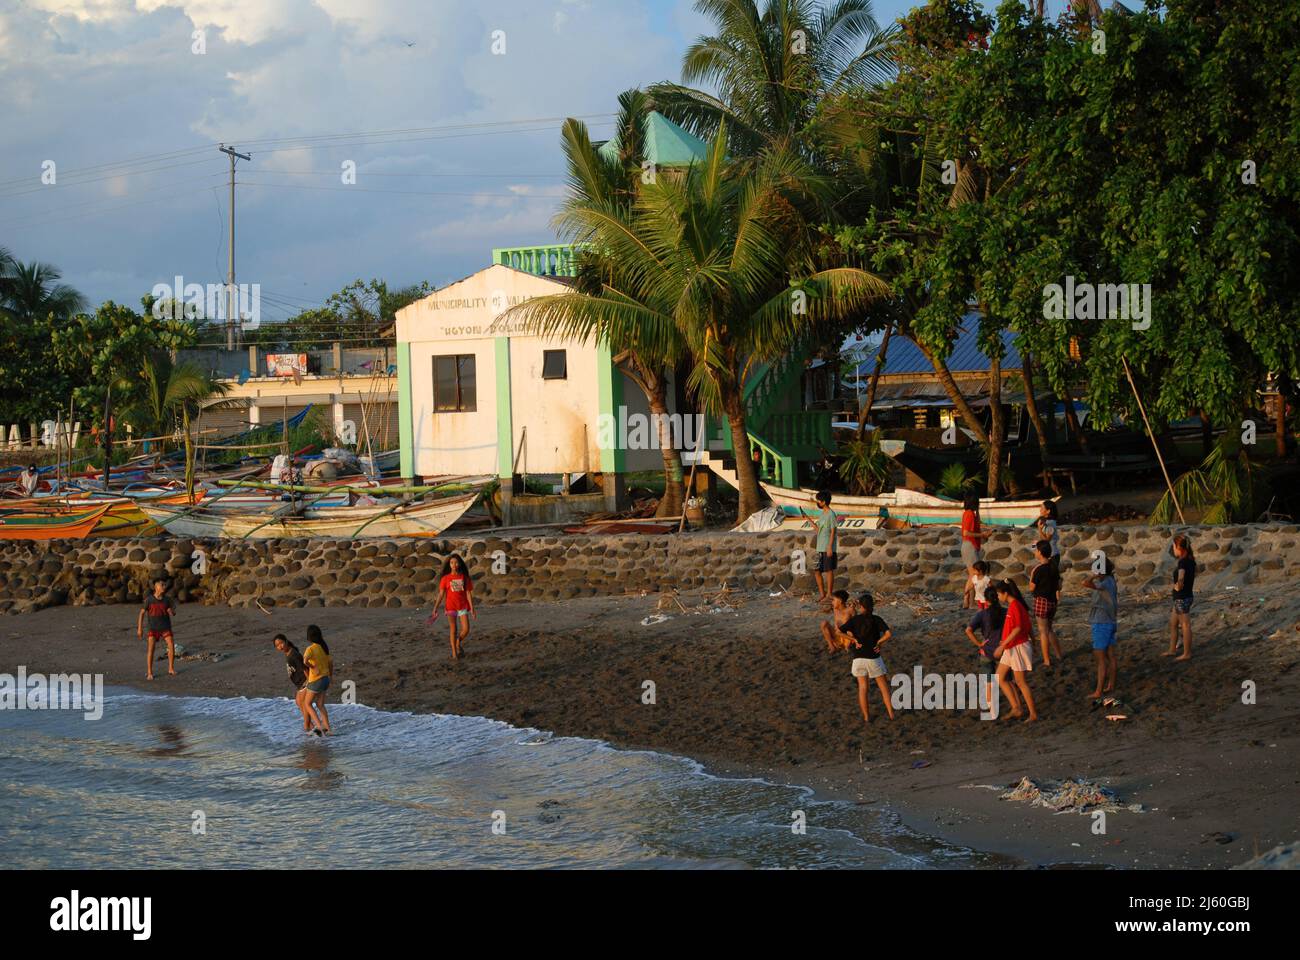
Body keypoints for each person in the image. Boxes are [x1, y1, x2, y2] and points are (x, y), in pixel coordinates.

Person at [836, 593, 896, 725]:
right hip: (873, 657)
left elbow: (838, 632)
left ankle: (867, 717)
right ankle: (891, 714)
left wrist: (853, 639)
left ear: (861, 606)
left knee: (863, 688)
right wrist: (879, 642)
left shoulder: (855, 620)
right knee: (883, 687)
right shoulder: (876, 619)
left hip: (858, 659)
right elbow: (889, 634)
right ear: (872, 606)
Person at [992, 580, 1038, 722]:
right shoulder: (1016, 605)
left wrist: (1001, 645)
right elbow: (1028, 626)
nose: (998, 597)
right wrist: (1034, 642)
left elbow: (1018, 628)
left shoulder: (1015, 606)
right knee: (999, 677)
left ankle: (1033, 714)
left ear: (1005, 593)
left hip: (1018, 647)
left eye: (999, 594)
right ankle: (1016, 708)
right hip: (1011, 647)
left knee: (1020, 681)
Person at [1082, 558, 1119, 698]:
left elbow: (1085, 583)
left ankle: (1098, 691)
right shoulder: (1111, 581)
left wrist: (1094, 575)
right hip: (1110, 621)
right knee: (1111, 656)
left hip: (1101, 623)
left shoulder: (1104, 583)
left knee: (1101, 660)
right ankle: (1111, 685)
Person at [431, 553, 475, 659]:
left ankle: (457, 642)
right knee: (453, 630)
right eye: (451, 562)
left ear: (459, 564)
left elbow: (468, 593)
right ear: (449, 564)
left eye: (456, 562)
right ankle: (454, 654)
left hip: (463, 606)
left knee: (466, 629)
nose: (453, 564)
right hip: (451, 607)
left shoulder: (464, 578)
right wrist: (435, 608)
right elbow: (441, 594)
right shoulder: (445, 579)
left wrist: (472, 608)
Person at [964, 591, 1005, 700]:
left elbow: (968, 630)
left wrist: (979, 644)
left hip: (987, 649)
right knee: (1006, 679)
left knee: (988, 680)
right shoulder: (1006, 612)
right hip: (1003, 649)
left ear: (986, 601)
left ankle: (990, 706)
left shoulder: (982, 614)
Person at [1030, 539, 1063, 667]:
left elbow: (1032, 588)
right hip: (1052, 602)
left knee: (1042, 631)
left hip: (1041, 601)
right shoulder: (1054, 566)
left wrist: (1032, 574)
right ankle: (1059, 654)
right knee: (1049, 629)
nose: (1035, 552)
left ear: (1039, 552)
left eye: (1036, 550)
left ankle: (1046, 660)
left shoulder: (1038, 569)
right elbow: (1059, 585)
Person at [136, 578, 176, 680]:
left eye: (164, 585)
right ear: (156, 587)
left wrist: (171, 611)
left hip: (165, 627)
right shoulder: (149, 600)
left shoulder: (167, 599)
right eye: (162, 585)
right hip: (153, 628)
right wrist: (139, 629)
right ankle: (149, 672)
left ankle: (171, 668)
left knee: (171, 645)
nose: (164, 586)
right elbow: (141, 614)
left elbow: (173, 612)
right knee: (151, 649)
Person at [1164, 533, 1196, 661]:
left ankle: (1187, 653)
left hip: (1182, 598)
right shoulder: (1190, 560)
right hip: (1183, 598)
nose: (1173, 549)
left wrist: (1178, 585)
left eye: (1173, 546)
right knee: (1173, 624)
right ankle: (1172, 650)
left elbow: (1181, 577)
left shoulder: (1183, 562)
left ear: (1179, 547)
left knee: (1185, 625)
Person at [273, 634, 314, 732]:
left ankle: (307, 726)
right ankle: (311, 725)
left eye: (281, 643)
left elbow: (304, 667)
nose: (280, 646)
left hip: (304, 681)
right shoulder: (288, 653)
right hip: (299, 684)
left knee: (304, 704)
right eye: (277, 645)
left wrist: (309, 682)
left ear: (286, 641)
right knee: (299, 702)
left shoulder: (293, 654)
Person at [301, 625, 332, 735]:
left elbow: (304, 661)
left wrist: (313, 667)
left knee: (307, 704)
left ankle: (319, 727)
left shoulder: (311, 649)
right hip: (325, 679)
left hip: (316, 680)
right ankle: (328, 729)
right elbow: (330, 664)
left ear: (309, 637)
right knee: (320, 704)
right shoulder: (324, 647)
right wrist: (330, 677)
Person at [812, 490, 838, 604]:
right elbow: (818, 531)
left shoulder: (831, 514)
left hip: (827, 547)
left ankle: (829, 594)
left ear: (823, 502)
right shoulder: (822, 514)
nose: (817, 502)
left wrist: (829, 547)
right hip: (819, 547)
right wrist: (808, 520)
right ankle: (822, 594)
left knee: (829, 571)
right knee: (817, 571)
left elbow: (833, 531)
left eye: (819, 500)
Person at [960, 493, 982, 607]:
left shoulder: (970, 514)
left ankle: (970, 601)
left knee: (973, 575)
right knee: (974, 574)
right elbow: (966, 532)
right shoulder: (969, 514)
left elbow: (978, 524)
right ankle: (966, 596)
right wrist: (982, 535)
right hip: (970, 546)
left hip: (969, 546)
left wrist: (977, 511)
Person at [1036, 500, 1061, 572]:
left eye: (1042, 508)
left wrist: (1039, 529)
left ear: (1048, 511)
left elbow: (1046, 541)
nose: (1040, 509)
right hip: (1049, 555)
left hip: (1052, 555)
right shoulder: (1047, 522)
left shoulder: (1051, 524)